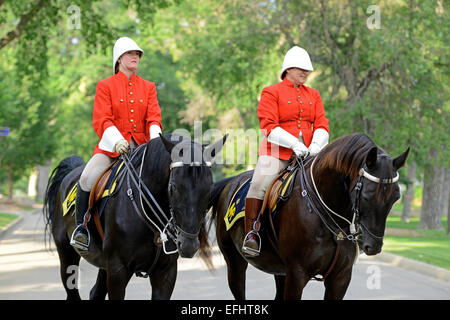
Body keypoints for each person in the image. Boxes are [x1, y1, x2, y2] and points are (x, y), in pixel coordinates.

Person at [70, 37, 163, 251]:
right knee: (86, 177)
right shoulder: (105, 86)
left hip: (142, 149)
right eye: (131, 53)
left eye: (138, 54)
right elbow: (102, 119)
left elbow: (154, 119)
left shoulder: (148, 87)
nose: (135, 57)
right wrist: (117, 140)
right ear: (119, 58)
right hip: (111, 149)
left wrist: (157, 146)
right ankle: (82, 228)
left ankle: (165, 229)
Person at [242, 46, 330, 257]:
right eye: (302, 69)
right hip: (277, 154)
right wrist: (294, 144)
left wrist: (316, 146)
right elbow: (269, 126)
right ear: (288, 69)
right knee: (259, 185)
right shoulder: (271, 92)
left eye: (308, 70)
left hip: (310, 154)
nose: (306, 73)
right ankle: (252, 234)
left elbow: (322, 124)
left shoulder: (314, 95)